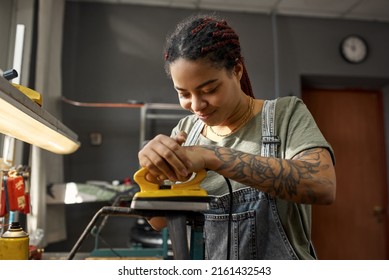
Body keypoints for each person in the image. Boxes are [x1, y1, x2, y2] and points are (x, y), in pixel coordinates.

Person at [137, 14, 336, 260]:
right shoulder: (186, 131)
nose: (197, 105)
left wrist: (211, 156)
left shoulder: (285, 115)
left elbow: (322, 186)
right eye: (184, 94)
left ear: (237, 70)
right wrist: (153, 174)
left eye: (209, 90)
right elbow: (158, 222)